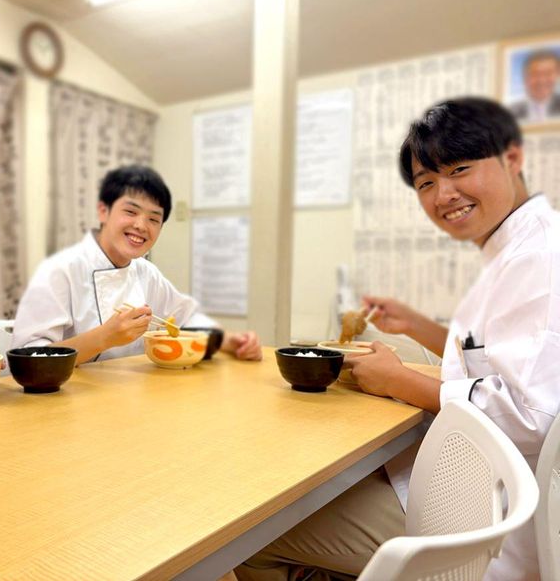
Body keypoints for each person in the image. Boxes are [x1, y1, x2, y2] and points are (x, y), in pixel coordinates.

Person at [236, 97, 559, 581]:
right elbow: (503, 357)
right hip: (481, 483)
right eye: (426, 183)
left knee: (254, 533)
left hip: (489, 522)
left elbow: (530, 415)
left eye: (459, 170)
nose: (443, 195)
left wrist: (397, 381)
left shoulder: (539, 258)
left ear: (511, 160)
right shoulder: (518, 247)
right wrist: (414, 325)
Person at [12, 165, 262, 364]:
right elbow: (28, 358)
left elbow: (186, 319)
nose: (141, 226)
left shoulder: (145, 272)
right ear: (103, 211)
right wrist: (104, 338)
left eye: (154, 219)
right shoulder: (60, 270)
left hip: (134, 397)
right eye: (131, 212)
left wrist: (229, 341)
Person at [509, 49, 560, 123]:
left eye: (548, 73)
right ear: (525, 78)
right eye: (535, 74)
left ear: (557, 76)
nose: (541, 80)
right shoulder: (511, 112)